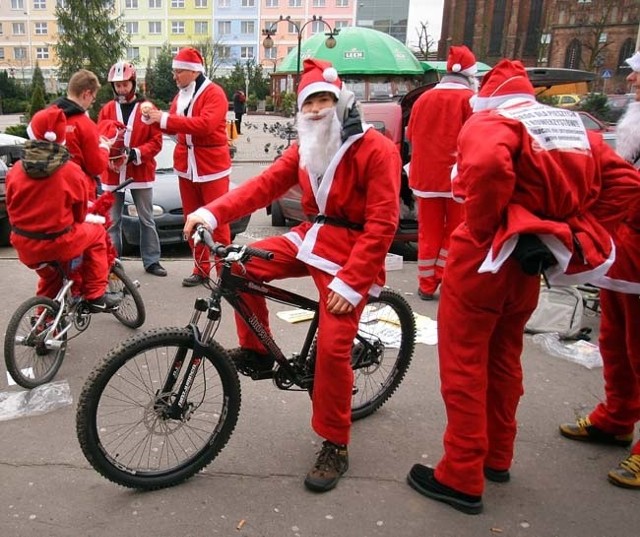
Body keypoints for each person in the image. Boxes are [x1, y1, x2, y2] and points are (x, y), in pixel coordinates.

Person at [406, 59, 640, 514]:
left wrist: (487, 225)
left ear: (485, 97)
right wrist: (571, 230)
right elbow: (627, 183)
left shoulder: (492, 121)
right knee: (505, 356)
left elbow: (489, 166)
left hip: (485, 259)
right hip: (531, 263)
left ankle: (461, 473)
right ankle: (497, 456)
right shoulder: (573, 127)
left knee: (464, 364)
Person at [183, 58, 401, 493]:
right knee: (238, 262)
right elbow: (263, 185)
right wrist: (209, 211)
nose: (317, 109)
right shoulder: (305, 146)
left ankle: (335, 443)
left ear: (341, 102)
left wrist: (352, 282)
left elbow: (383, 224)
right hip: (311, 237)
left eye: (325, 100)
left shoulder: (376, 150)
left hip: (351, 254)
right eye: (310, 102)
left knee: (334, 350)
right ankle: (259, 351)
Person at [559, 50, 640, 489]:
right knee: (617, 343)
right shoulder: (634, 125)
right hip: (627, 250)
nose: (631, 82)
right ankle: (617, 417)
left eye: (638, 75)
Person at [6, 107, 116, 311]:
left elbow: (11, 206)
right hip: (57, 243)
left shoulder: (16, 170)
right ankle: (95, 294)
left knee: (52, 278)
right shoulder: (71, 171)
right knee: (97, 234)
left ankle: (43, 325)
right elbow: (80, 214)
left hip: (24, 245)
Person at [144, 47, 231, 287]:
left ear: (193, 72)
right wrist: (152, 119)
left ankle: (225, 273)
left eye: (178, 71)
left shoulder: (215, 93)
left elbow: (205, 125)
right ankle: (201, 269)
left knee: (218, 222)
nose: (174, 76)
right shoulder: (181, 95)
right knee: (192, 221)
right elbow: (172, 127)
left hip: (211, 167)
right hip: (187, 167)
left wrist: (163, 118)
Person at [406, 45, 476, 300]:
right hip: (457, 179)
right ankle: (442, 273)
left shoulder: (423, 99)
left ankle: (426, 284)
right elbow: (476, 140)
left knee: (428, 230)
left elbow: (409, 136)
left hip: (424, 178)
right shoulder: (470, 100)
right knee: (456, 230)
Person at [98, 61, 167, 277]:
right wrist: (104, 154)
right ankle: (111, 262)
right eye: (117, 85)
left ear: (133, 84)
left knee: (147, 218)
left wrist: (135, 154)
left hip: (140, 172)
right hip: (111, 173)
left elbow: (156, 141)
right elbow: (99, 135)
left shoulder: (148, 109)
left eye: (125, 85)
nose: (121, 89)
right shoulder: (107, 109)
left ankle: (152, 261)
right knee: (112, 221)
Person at [52, 69, 110, 199]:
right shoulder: (84, 124)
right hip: (79, 191)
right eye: (93, 99)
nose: (91, 103)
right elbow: (95, 167)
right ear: (87, 94)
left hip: (51, 191)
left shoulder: (48, 118)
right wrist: (105, 148)